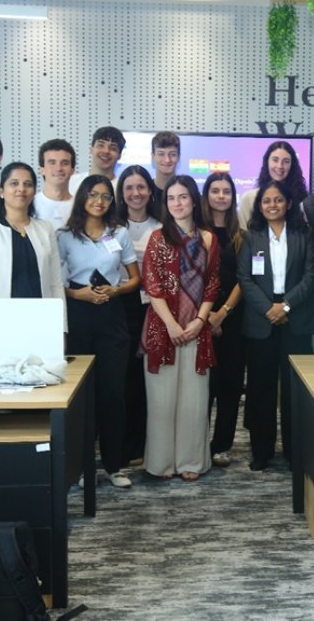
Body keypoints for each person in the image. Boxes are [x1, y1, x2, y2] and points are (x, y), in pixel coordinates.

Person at [58, 175, 142, 488]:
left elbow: (136, 278)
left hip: (111, 314)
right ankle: (83, 467)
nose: (99, 201)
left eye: (106, 196)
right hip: (78, 313)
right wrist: (76, 294)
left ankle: (114, 465)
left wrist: (116, 290)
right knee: (83, 396)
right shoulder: (65, 235)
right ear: (82, 197)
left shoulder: (118, 233)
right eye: (93, 195)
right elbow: (53, 281)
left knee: (113, 394)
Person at [141, 175, 221, 481]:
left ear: (194, 201)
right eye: (171, 198)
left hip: (197, 330)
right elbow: (153, 287)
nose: (177, 203)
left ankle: (191, 461)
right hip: (163, 329)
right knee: (161, 401)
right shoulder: (157, 238)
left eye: (183, 197)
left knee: (194, 401)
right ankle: (161, 463)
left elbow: (212, 285)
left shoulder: (209, 239)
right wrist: (172, 325)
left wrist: (200, 321)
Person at [237, 181, 314, 471]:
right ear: (259, 206)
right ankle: (262, 451)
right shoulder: (252, 237)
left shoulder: (304, 235)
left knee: (295, 391)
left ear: (288, 203)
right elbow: (245, 277)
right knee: (261, 389)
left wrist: (285, 306)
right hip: (262, 320)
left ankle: (296, 452)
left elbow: (310, 276)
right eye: (266, 201)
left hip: (295, 318)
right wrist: (269, 308)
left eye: (278, 200)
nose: (272, 205)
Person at [116, 165, 164, 465]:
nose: (136, 193)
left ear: (150, 191)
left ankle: (143, 444)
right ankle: (121, 443)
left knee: (146, 377)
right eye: (129, 188)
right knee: (123, 377)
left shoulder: (161, 226)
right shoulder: (112, 226)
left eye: (141, 187)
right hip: (119, 305)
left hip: (153, 306)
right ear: (122, 193)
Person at [0, 162, 63, 299]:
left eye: (28, 184)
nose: (21, 189)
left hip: (40, 309)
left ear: (34, 192)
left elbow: (55, 283)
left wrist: (60, 313)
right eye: (14, 183)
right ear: (1, 191)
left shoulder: (45, 229)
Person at [200, 172, 246, 467]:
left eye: (226, 191)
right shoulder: (195, 232)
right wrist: (207, 317)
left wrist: (222, 313)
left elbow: (245, 278)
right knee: (203, 388)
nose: (220, 196)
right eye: (215, 190)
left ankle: (221, 446)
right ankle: (196, 445)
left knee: (230, 386)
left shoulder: (241, 235)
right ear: (206, 196)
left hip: (233, 318)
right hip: (199, 319)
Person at [237, 140, 308, 229]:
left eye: (286, 161)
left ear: (292, 165)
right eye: (275, 160)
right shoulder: (249, 198)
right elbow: (243, 233)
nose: (280, 166)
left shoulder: (303, 200)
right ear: (267, 162)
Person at [69, 126, 125, 197]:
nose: (106, 151)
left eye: (113, 148)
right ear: (91, 149)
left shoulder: (123, 190)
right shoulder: (71, 183)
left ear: (119, 155)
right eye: (101, 145)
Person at [34, 139, 76, 226]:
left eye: (64, 163)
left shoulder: (81, 207)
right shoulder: (30, 206)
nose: (58, 168)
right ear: (42, 170)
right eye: (52, 163)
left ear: (72, 170)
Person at [150, 131, 181, 203]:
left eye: (172, 154)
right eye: (161, 154)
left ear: (179, 157)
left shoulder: (187, 192)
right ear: (153, 157)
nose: (167, 160)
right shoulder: (145, 192)